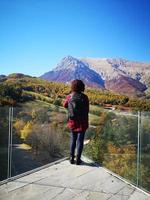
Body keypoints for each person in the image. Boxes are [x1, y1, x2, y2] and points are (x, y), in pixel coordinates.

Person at [63, 79, 89, 165]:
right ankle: (78, 159)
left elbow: (65, 105)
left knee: (73, 139)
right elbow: (87, 110)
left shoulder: (69, 96)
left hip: (73, 121)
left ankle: (71, 158)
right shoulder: (85, 97)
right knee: (80, 141)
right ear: (82, 87)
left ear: (73, 87)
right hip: (83, 122)